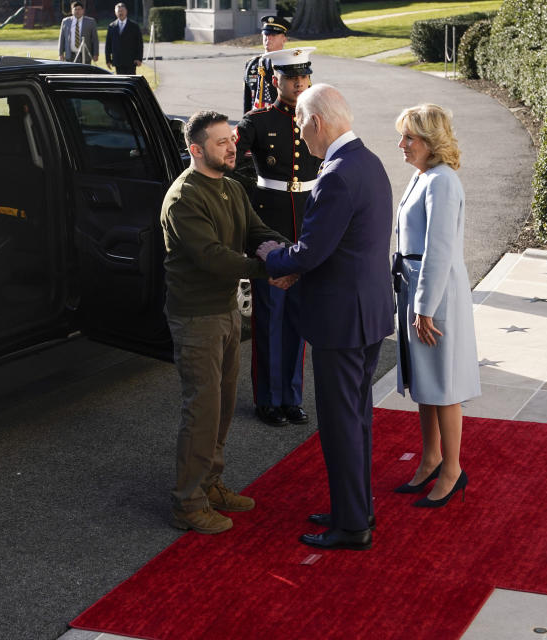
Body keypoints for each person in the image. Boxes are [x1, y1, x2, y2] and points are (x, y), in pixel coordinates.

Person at [258, 84, 394, 550]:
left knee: (341, 422)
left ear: (316, 122)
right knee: (356, 418)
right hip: (366, 313)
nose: (298, 134)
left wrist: (273, 258)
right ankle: (355, 507)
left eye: (299, 124)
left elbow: (312, 251)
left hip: (342, 320)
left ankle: (352, 526)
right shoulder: (368, 160)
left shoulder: (336, 172)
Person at [161, 110, 293, 535]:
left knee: (221, 407)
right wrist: (268, 271)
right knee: (202, 410)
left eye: (231, 139)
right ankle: (187, 503)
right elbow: (214, 259)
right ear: (196, 150)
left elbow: (256, 231)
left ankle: (211, 483)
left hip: (225, 312)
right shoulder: (184, 198)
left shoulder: (232, 188)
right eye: (221, 143)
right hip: (196, 316)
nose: (232, 147)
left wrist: (290, 252)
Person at [392, 104, 480, 507]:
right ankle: (430, 458)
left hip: (435, 290)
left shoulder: (442, 181)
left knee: (443, 385)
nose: (402, 144)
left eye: (410, 137)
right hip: (416, 285)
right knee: (425, 382)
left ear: (430, 141)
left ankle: (452, 469)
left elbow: (439, 249)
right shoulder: (423, 175)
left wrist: (424, 307)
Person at [235, 47, 320, 427]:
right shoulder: (257, 121)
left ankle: (291, 397)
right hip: (269, 231)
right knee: (269, 318)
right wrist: (247, 220)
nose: (298, 83)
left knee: (298, 319)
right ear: (276, 82)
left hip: (308, 228)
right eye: (290, 78)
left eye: (303, 77)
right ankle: (267, 399)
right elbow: (232, 166)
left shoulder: (317, 119)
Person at [242, 15, 288, 114]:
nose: (268, 38)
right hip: (257, 121)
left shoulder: (291, 63)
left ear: (284, 39)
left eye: (273, 35)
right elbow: (248, 99)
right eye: (266, 34)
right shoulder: (252, 64)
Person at [105, 3, 142, 75]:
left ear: (126, 11)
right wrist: (108, 60)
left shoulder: (134, 26)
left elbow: (139, 43)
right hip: (117, 61)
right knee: (120, 83)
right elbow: (108, 45)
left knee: (131, 82)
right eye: (118, 11)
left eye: (122, 11)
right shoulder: (111, 26)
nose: (120, 13)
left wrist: (139, 58)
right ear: (115, 13)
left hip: (131, 61)